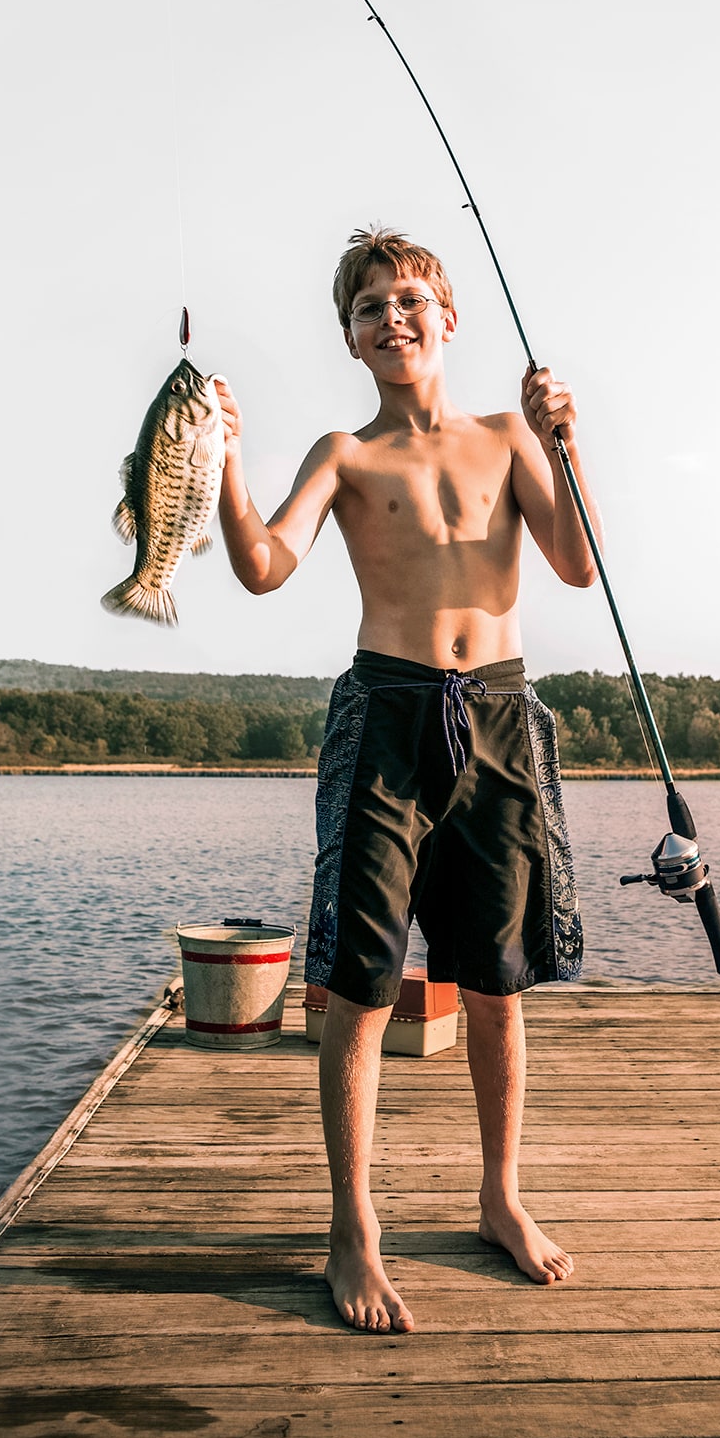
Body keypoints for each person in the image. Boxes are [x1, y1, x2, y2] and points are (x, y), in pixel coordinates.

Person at [215, 226, 600, 1334]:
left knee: (497, 977)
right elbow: (261, 566)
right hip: (386, 715)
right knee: (362, 983)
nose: (392, 317)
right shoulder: (344, 453)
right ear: (349, 336)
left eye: (410, 299)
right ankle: (354, 1225)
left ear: (448, 317)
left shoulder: (502, 438)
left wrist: (566, 444)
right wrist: (228, 457)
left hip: (499, 716)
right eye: (369, 305)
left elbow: (577, 561)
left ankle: (499, 1196)